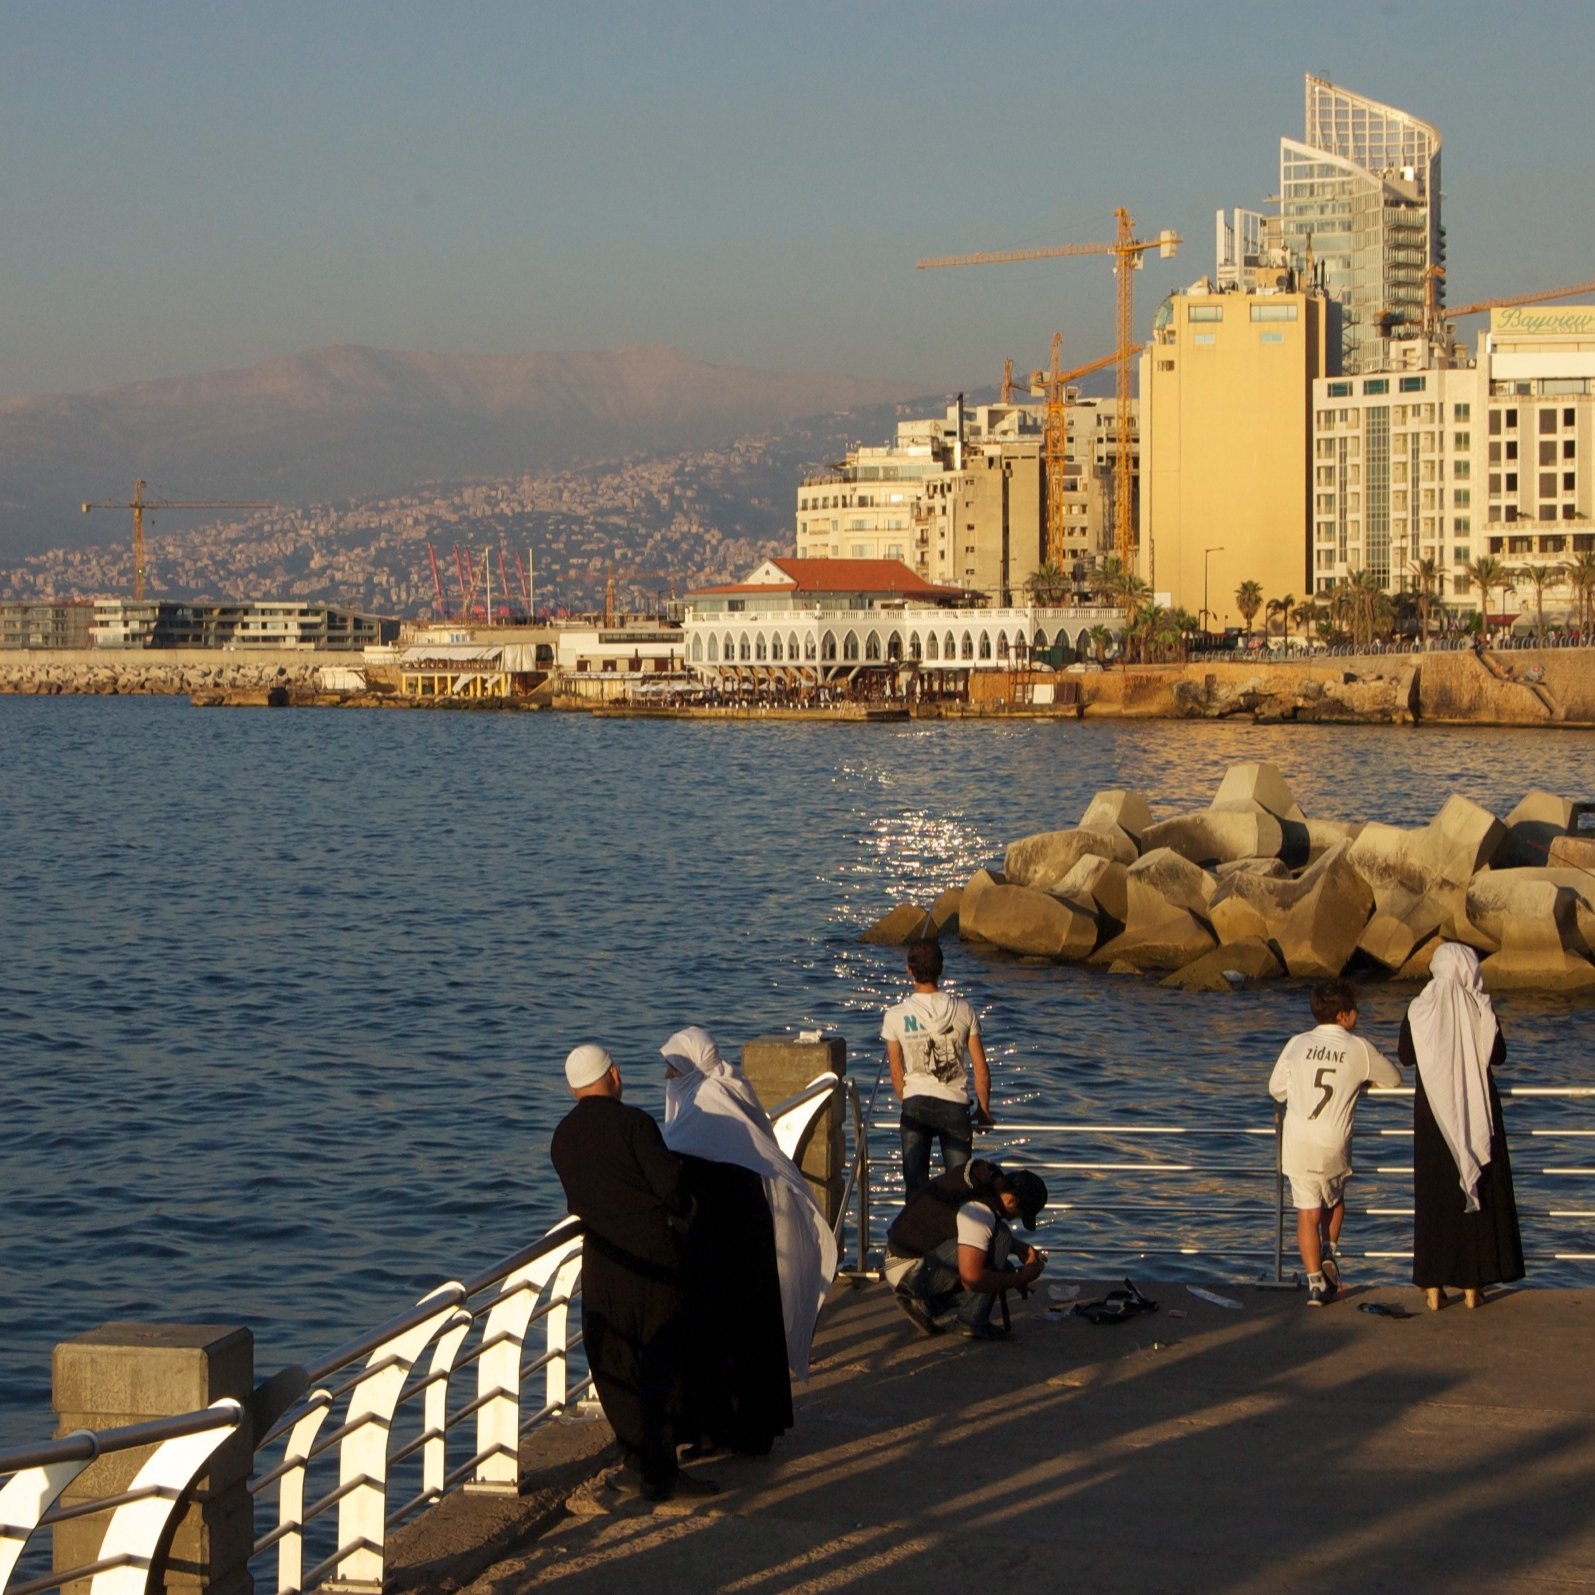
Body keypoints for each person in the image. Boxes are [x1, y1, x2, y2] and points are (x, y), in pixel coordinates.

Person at [549, 1043, 716, 1503]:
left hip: (602, 1260)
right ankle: (664, 1471)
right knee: (663, 1358)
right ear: (615, 1076)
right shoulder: (634, 1124)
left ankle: (638, 1459)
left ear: (572, 1086)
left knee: (615, 1360)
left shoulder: (562, 1136)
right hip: (654, 1257)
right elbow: (671, 1189)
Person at [659, 1027, 837, 1395]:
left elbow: (681, 1154)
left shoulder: (706, 1103)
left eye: (674, 1069)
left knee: (722, 1322)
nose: (667, 1078)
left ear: (692, 1067)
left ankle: (728, 1419)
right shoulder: (731, 1087)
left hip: (720, 1230)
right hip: (747, 1223)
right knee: (751, 1319)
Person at [1399, 942, 1525, 1310]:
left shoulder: (1419, 1008)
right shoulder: (1480, 1007)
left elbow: (1406, 1056)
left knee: (1435, 1197)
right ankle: (1473, 1285)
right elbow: (1497, 1055)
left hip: (1432, 1113)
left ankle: (1433, 1285)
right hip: (1477, 1109)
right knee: (1479, 1196)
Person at [1268, 979, 1401, 1307]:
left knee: (1306, 1213)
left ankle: (1316, 1283)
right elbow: (1394, 1078)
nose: (1359, 1013)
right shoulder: (1358, 1047)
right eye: (1355, 1008)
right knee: (1336, 1199)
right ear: (1343, 1016)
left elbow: (1276, 1089)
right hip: (1333, 1141)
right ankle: (1330, 1249)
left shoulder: (1297, 1043)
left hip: (1298, 1141)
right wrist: (1364, 1081)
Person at [882, 1159, 1048, 1340]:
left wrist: (1019, 1249)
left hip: (900, 1261)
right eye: (1018, 1215)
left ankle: (925, 1306)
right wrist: (1021, 1278)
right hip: (910, 1271)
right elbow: (972, 1279)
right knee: (1000, 1237)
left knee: (998, 1253)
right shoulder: (979, 1210)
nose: (1012, 1219)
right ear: (1011, 1201)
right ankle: (972, 1322)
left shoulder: (983, 1179)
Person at [881, 938, 993, 1197]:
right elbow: (981, 1069)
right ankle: (958, 1235)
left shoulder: (895, 1015)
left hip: (915, 1105)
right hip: (955, 1105)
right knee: (961, 1185)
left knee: (915, 1186)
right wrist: (984, 1110)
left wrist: (906, 1100)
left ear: (909, 970)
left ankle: (916, 1234)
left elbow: (896, 1072)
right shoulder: (964, 1010)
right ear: (941, 969)